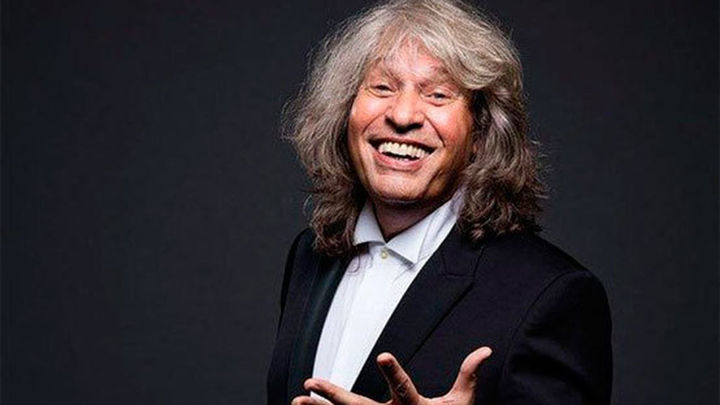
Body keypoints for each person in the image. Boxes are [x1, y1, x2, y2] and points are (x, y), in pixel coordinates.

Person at [267, 0, 612, 404]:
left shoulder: (552, 295)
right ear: (346, 112)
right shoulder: (310, 255)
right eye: (382, 87)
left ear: (480, 132)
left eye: (438, 94)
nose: (403, 115)